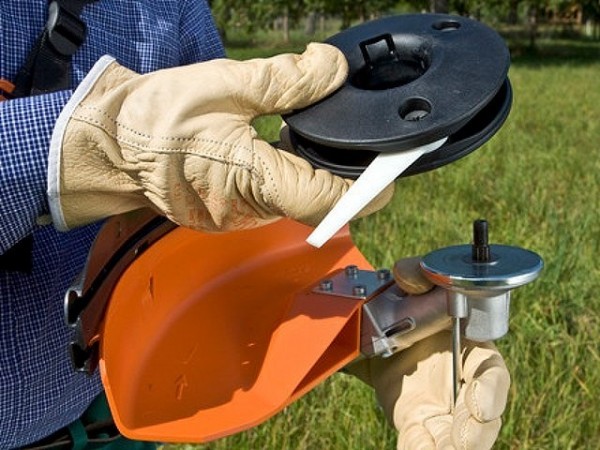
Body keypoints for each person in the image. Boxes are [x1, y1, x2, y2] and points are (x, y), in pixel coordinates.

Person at [0, 1, 509, 448]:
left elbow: (204, 236)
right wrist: (67, 150)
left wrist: (370, 324)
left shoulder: (167, 9)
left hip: (109, 422)